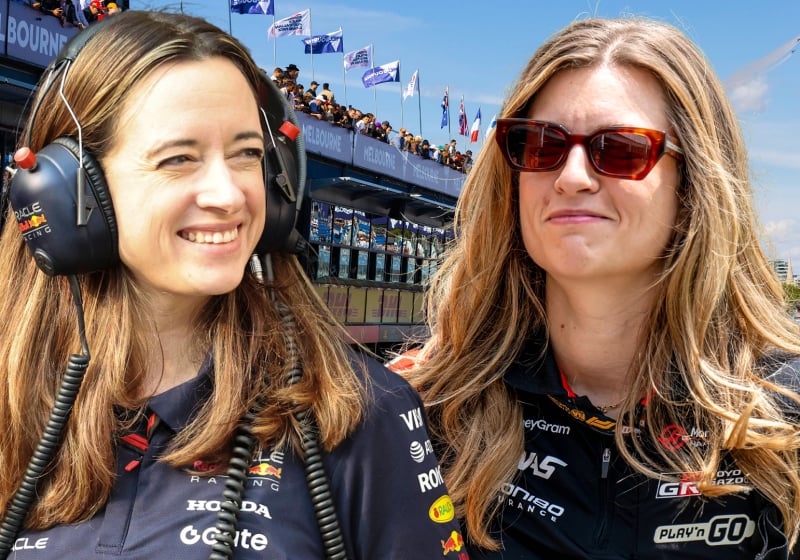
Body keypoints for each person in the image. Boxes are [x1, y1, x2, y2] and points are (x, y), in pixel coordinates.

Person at [0, 11, 464, 560]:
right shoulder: (16, 392)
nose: (229, 194)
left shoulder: (364, 409)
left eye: (247, 154)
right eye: (179, 158)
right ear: (64, 191)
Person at [404, 16, 800, 560]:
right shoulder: (429, 408)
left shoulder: (785, 408)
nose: (571, 176)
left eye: (620, 150)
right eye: (541, 144)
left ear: (694, 184)